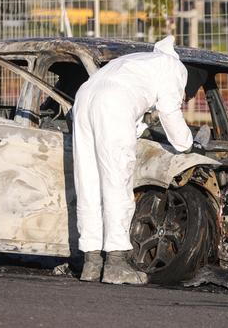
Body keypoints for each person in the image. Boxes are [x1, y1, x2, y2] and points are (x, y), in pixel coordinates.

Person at [72, 35, 197, 284]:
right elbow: (170, 111)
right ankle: (116, 263)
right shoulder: (175, 69)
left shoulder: (138, 61)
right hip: (113, 102)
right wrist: (187, 144)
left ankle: (92, 262)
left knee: (88, 182)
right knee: (116, 180)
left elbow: (136, 110)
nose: (186, 99)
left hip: (84, 97)